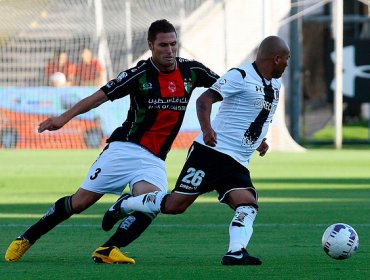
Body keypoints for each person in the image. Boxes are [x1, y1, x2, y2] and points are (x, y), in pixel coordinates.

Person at [5, 19, 219, 264]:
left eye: (173, 44)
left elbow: (228, 87)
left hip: (155, 158)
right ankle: (27, 238)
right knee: (80, 202)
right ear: (150, 45)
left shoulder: (192, 71)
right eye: (163, 45)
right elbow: (98, 98)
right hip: (125, 149)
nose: (170, 51)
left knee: (154, 204)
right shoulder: (139, 74)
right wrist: (63, 118)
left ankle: (108, 248)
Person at [100, 35, 290, 265]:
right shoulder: (240, 76)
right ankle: (126, 204)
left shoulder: (276, 85)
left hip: (238, 161)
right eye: (287, 58)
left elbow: (257, 116)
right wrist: (207, 129)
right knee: (175, 205)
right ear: (276, 58)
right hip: (210, 154)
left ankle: (236, 252)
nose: (288, 63)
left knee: (248, 205)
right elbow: (204, 100)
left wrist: (260, 140)